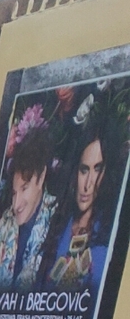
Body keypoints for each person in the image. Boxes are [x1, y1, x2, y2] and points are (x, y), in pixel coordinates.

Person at [0, 115, 56, 288]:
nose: (17, 205)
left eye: (24, 189)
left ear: (41, 177)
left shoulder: (57, 220)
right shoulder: (4, 223)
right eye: (15, 193)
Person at [40, 118, 113, 290]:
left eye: (97, 169)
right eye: (84, 170)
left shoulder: (107, 230)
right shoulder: (55, 225)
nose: (88, 184)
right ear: (74, 172)